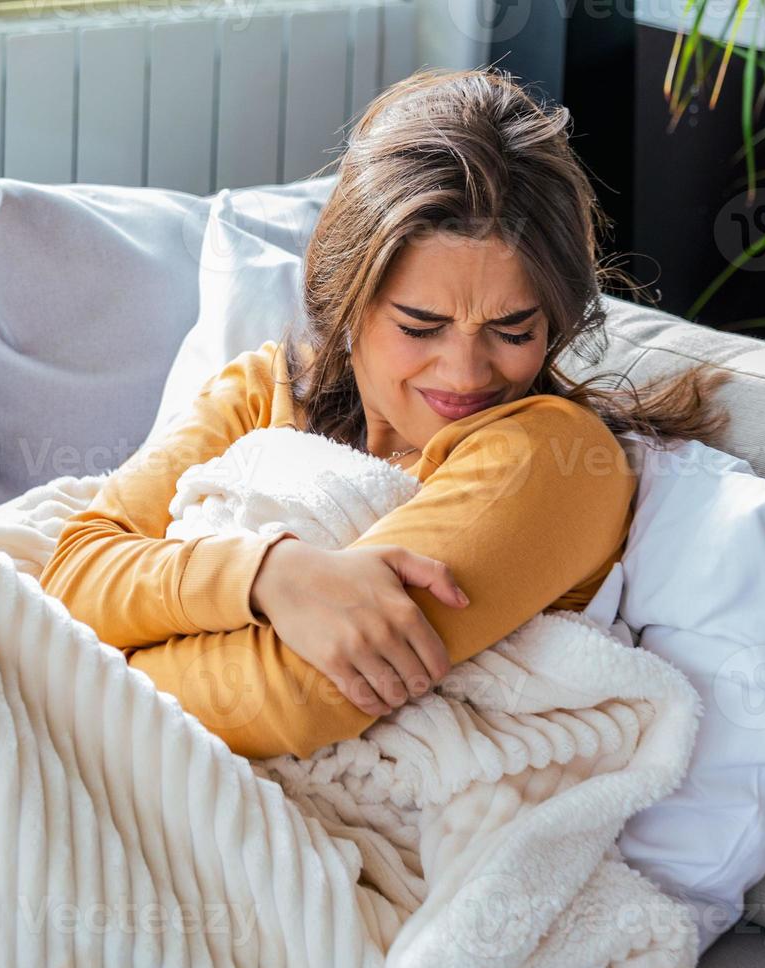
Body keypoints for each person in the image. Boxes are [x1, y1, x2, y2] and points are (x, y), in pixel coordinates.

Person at [40, 68, 728, 760]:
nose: (466, 372)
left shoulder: (554, 457)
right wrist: (265, 575)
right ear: (347, 303)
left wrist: (65, 678)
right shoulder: (267, 391)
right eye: (421, 326)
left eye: (513, 329)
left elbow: (294, 695)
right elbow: (72, 576)